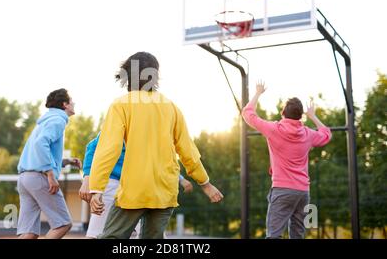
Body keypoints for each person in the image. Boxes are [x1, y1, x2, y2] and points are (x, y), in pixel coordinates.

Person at [88, 52, 224, 239]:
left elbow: (108, 150)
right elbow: (188, 150)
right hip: (165, 191)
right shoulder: (171, 107)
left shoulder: (121, 105)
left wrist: (96, 188)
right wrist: (205, 183)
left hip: (134, 191)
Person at [242, 81, 332, 239]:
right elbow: (326, 135)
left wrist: (257, 93)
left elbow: (248, 114)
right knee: (298, 234)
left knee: (274, 235)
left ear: (283, 112)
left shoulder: (274, 129)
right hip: (303, 192)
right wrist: (313, 116)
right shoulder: (308, 133)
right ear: (300, 116)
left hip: (282, 190)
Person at [78, 132, 194, 238]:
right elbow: (92, 148)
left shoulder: (152, 130)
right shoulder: (121, 120)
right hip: (112, 182)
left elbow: (161, 160)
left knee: (153, 233)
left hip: (137, 186)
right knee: (96, 233)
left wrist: (181, 179)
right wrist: (87, 180)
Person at [16, 88, 81, 239]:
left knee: (29, 233)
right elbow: (41, 144)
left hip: (25, 178)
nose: (74, 103)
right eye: (71, 101)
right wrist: (50, 174)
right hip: (41, 178)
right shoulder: (58, 120)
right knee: (63, 224)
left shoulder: (44, 122)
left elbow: (38, 151)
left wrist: (66, 162)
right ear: (65, 104)